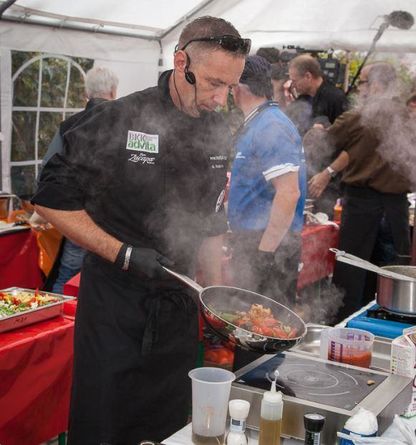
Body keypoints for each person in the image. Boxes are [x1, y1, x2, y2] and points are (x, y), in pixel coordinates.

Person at [32, 16, 250, 444]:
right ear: (181, 60)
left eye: (231, 87)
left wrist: (217, 303)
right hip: (115, 308)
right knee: (106, 425)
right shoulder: (118, 118)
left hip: (177, 312)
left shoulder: (218, 133)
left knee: (169, 428)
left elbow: (209, 224)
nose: (220, 99)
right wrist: (123, 253)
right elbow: (50, 199)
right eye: (213, 83)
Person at [310, 62, 412, 322]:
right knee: (390, 278)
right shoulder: (407, 117)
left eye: (364, 82)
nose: (360, 88)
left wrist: (317, 131)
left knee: (351, 273)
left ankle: (344, 327)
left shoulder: (359, 117)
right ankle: (385, 325)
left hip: (363, 206)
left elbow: (325, 146)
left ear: (376, 85)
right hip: (396, 209)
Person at [228, 55, 306, 370]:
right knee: (249, 332)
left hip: (267, 245)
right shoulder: (259, 121)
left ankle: (262, 396)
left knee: (263, 333)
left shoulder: (271, 125)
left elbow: (289, 193)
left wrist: (264, 254)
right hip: (254, 241)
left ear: (238, 87)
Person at [30, 66, 119, 293]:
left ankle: (63, 326)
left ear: (86, 94)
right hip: (117, 224)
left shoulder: (70, 127)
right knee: (111, 283)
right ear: (114, 91)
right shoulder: (128, 127)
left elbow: (46, 173)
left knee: (68, 274)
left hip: (78, 219)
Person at [289, 54, 349, 216]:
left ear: (308, 76)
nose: (293, 85)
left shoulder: (335, 98)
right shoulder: (305, 99)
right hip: (310, 173)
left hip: (330, 181)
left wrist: (328, 174)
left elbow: (351, 146)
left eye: (295, 80)